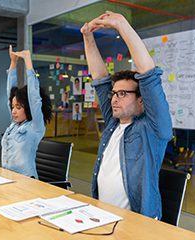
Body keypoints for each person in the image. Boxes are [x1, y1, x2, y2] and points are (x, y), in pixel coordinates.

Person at [81, 11, 172, 219]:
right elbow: (100, 78)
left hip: (136, 222)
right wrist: (87, 36)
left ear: (141, 100)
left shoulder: (153, 129)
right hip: (102, 215)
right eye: (114, 93)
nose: (114, 99)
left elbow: (149, 74)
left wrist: (122, 25)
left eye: (122, 94)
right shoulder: (114, 122)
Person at [2, 46, 52, 178]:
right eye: (13, 107)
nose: (13, 111)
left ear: (28, 108)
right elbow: (9, 92)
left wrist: (28, 62)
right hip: (8, 178)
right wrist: (13, 63)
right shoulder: (14, 125)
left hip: (26, 181)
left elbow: (34, 99)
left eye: (18, 107)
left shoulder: (35, 127)